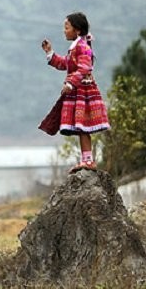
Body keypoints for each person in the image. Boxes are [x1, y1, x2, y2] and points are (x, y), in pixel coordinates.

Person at [40, 12, 110, 172]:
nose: (64, 31)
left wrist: (71, 83)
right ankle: (87, 160)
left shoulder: (83, 47)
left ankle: (88, 161)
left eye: (67, 27)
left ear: (77, 30)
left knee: (83, 127)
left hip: (83, 92)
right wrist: (50, 53)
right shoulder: (76, 48)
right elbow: (65, 63)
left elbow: (85, 68)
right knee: (81, 128)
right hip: (77, 92)